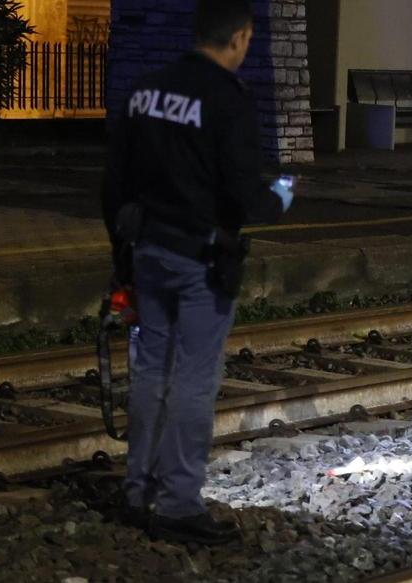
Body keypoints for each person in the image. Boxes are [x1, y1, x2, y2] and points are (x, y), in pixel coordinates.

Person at [101, 0, 295, 545]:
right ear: (240, 37)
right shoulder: (227, 100)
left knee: (151, 371)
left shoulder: (145, 91)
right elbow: (244, 194)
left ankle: (137, 491)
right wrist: (281, 196)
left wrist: (121, 257)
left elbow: (113, 183)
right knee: (192, 378)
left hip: (147, 252)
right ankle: (179, 503)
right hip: (201, 262)